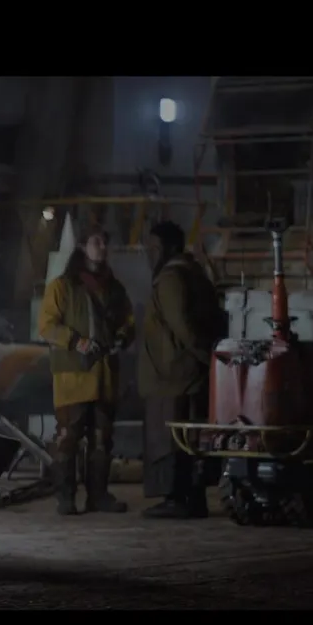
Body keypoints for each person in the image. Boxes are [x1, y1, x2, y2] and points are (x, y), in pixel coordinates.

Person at [38, 222, 136, 515]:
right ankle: (65, 497)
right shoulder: (61, 287)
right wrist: (76, 341)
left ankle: (98, 495)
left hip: (104, 376)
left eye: (104, 242)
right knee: (67, 439)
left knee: (102, 440)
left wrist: (122, 336)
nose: (103, 247)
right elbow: (46, 325)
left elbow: (128, 321)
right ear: (82, 246)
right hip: (72, 377)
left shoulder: (114, 288)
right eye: (96, 241)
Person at [139, 221, 224, 519]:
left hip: (172, 376)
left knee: (171, 440)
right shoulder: (194, 273)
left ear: (169, 247)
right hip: (186, 373)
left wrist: (205, 357)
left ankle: (177, 498)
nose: (149, 253)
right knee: (190, 437)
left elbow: (183, 326)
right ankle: (193, 497)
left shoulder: (171, 278)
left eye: (153, 247)